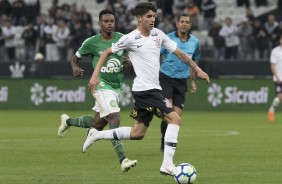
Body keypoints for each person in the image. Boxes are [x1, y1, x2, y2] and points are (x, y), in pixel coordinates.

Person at [83, 2, 210, 176]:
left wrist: (197, 69)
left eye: (154, 16)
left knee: (138, 133)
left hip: (153, 89)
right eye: (149, 16)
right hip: (145, 91)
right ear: (139, 18)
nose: (152, 20)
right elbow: (106, 52)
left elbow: (179, 53)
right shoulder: (130, 38)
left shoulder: (158, 34)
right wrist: (94, 76)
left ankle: (96, 135)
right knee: (175, 119)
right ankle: (167, 164)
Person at [57, 9, 137, 172]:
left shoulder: (122, 39)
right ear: (99, 24)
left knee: (97, 123)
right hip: (100, 86)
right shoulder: (91, 42)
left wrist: (129, 60)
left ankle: (68, 121)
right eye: (106, 21)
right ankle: (123, 159)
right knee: (114, 118)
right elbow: (75, 57)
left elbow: (132, 55)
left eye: (112, 21)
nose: (109, 24)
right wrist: (74, 66)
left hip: (116, 87)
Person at [159, 14, 200, 152]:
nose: (184, 24)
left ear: (190, 25)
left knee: (176, 116)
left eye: (187, 22)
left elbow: (193, 62)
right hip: (165, 77)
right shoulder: (168, 38)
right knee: (168, 112)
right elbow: (157, 54)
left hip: (182, 81)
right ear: (177, 24)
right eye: (181, 21)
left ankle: (168, 141)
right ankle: (165, 142)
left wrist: (193, 81)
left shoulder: (195, 42)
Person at [268, 34, 282, 122]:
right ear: (280, 40)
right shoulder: (275, 51)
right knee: (280, 96)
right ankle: (271, 109)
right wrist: (276, 76)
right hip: (279, 78)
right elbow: (273, 65)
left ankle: (271, 109)